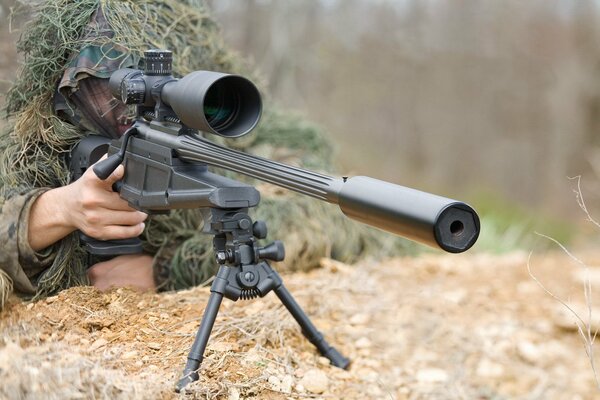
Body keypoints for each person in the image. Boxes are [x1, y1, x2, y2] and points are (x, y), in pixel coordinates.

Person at [0, 0, 399, 310]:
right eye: (103, 92)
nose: (123, 114)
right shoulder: (29, 144)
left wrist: (169, 268)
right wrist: (53, 211)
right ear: (67, 88)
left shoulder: (223, 130)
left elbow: (328, 223)